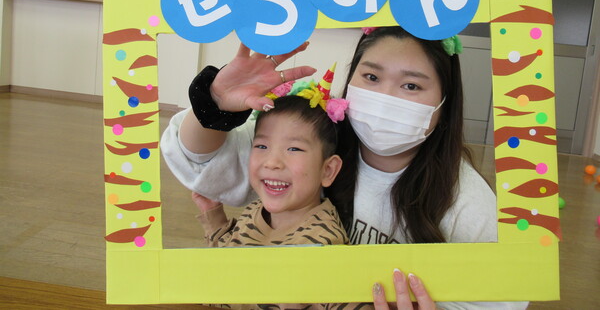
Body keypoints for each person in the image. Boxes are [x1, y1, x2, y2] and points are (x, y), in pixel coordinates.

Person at [161, 26, 527, 309]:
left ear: (444, 102)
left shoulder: (468, 204)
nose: (385, 97)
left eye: (411, 85)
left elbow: (504, 297)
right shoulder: (315, 141)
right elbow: (198, 159)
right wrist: (215, 104)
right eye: (371, 77)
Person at [190, 82, 349, 247]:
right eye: (262, 146)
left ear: (328, 170)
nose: (272, 162)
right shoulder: (257, 209)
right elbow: (233, 252)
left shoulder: (322, 245)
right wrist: (214, 216)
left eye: (294, 149)